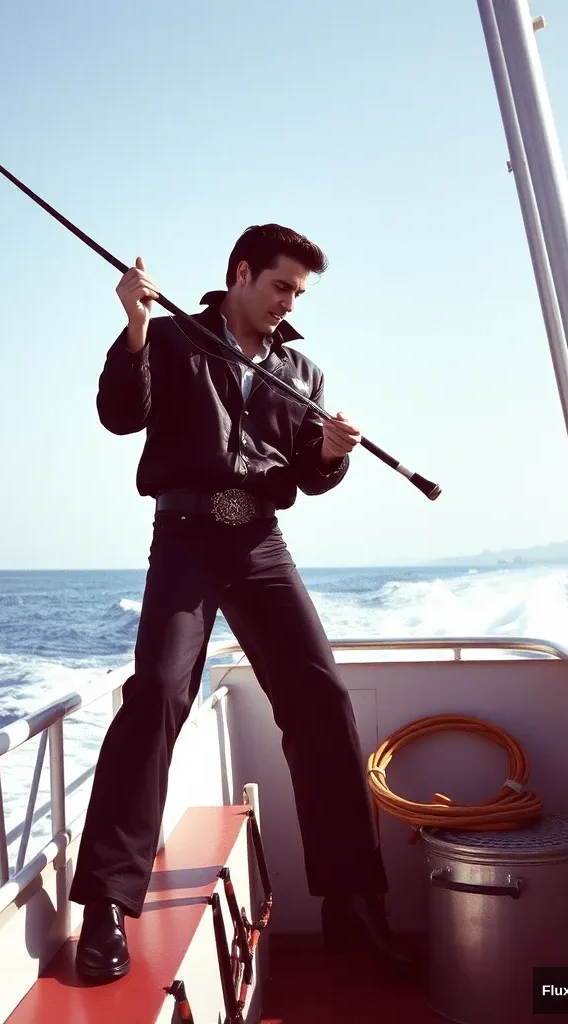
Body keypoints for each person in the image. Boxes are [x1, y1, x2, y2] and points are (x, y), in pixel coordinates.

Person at [70, 223, 410, 982]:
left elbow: (307, 476)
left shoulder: (302, 371)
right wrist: (132, 324)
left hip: (260, 542)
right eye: (280, 286)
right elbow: (120, 415)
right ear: (242, 273)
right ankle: (104, 910)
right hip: (186, 536)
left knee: (322, 702)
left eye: (299, 293)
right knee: (157, 694)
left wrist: (327, 454)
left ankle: (354, 908)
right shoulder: (172, 338)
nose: (288, 303)